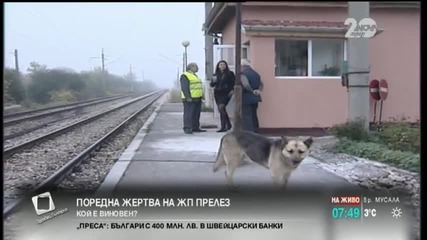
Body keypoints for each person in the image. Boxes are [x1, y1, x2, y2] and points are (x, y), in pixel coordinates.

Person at [180, 62, 206, 134]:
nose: (197, 68)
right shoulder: (185, 76)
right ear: (191, 67)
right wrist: (188, 97)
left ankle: (195, 127)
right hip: (190, 98)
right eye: (196, 67)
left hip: (197, 98)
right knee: (189, 113)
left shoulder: (195, 76)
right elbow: (184, 87)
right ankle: (187, 128)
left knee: (196, 113)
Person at [210, 60, 235, 132]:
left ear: (226, 66)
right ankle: (228, 124)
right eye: (221, 65)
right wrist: (213, 81)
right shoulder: (216, 74)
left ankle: (223, 127)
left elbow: (234, 82)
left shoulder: (230, 74)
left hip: (226, 93)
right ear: (218, 66)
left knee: (221, 107)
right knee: (222, 109)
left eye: (224, 65)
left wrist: (232, 90)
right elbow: (212, 85)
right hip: (217, 93)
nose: (222, 66)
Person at [240, 59, 263, 133]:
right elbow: (261, 84)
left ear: (242, 66)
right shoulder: (255, 73)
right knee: (254, 115)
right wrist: (258, 91)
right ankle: (256, 130)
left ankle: (249, 132)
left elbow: (246, 84)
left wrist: (252, 91)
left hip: (246, 97)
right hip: (255, 98)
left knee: (247, 116)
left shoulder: (243, 74)